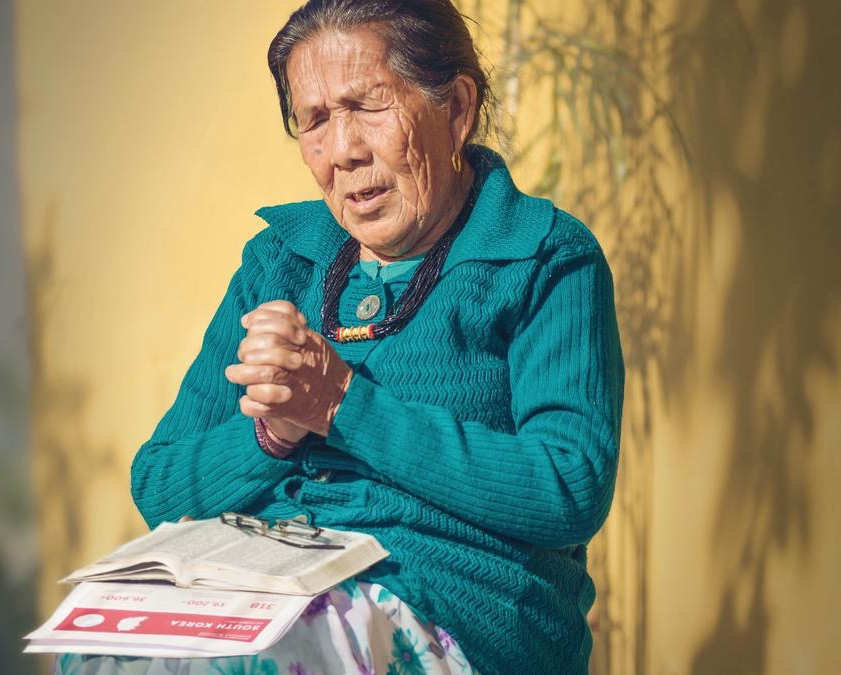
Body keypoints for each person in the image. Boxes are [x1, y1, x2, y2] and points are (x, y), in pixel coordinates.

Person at [59, 0, 623, 673]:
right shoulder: (281, 260)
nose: (344, 151)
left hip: (455, 602)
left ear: (457, 109)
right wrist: (275, 432)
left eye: (370, 105)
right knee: (102, 652)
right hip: (266, 576)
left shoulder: (542, 256)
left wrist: (342, 405)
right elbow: (160, 483)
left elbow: (569, 484)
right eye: (316, 119)